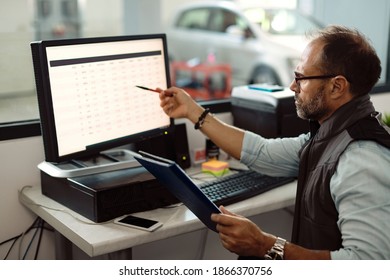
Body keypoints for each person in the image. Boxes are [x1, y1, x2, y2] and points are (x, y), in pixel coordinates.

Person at [158, 25, 390, 260]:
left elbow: (368, 265)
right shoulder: (329, 136)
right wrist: (192, 111)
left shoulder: (362, 158)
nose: (292, 87)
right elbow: (261, 152)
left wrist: (265, 245)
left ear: (337, 86)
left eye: (300, 78)